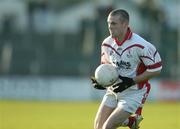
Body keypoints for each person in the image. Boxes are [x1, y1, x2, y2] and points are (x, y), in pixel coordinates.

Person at [91, 9, 162, 129]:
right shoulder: (106, 44)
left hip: (134, 93)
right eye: (108, 23)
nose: (110, 27)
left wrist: (131, 81)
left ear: (125, 24)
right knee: (98, 127)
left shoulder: (140, 45)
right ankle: (130, 122)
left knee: (107, 127)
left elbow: (156, 69)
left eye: (114, 23)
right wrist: (101, 81)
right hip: (114, 90)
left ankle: (127, 120)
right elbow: (107, 69)